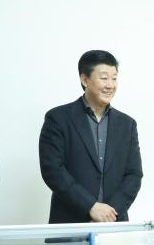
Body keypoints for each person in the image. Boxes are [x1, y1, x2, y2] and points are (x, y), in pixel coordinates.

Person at [39, 50, 143, 223]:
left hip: (114, 225)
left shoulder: (127, 124)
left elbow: (134, 175)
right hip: (70, 222)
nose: (110, 85)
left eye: (114, 78)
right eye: (104, 78)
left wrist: (110, 214)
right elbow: (53, 170)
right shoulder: (58, 118)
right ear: (84, 79)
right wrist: (90, 206)